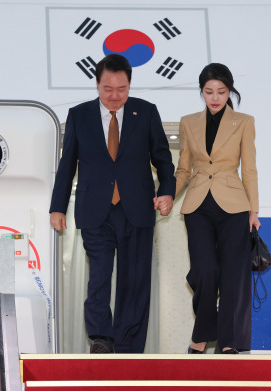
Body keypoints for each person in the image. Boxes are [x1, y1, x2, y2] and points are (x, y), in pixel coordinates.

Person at [49, 54, 176, 354]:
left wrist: (168, 191)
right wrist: (57, 207)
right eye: (108, 89)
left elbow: (163, 158)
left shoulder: (145, 113)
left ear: (130, 84)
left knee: (135, 280)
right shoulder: (79, 115)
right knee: (100, 276)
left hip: (137, 209)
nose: (115, 95)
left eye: (121, 89)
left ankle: (128, 345)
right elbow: (67, 165)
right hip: (96, 211)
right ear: (97, 84)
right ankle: (101, 338)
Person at [171, 63, 260, 354]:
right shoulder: (188, 122)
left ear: (229, 91)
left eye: (221, 91)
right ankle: (204, 331)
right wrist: (168, 195)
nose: (215, 97)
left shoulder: (244, 121)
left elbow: (249, 169)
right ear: (202, 92)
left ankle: (228, 342)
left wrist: (253, 211)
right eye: (209, 91)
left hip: (234, 206)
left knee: (234, 274)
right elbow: (183, 169)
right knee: (203, 270)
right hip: (197, 205)